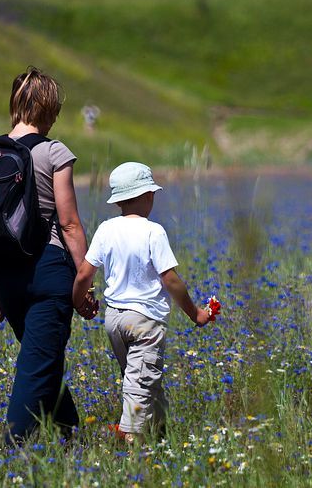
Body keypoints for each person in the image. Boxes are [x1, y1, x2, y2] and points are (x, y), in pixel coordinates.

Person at [0, 66, 99, 444]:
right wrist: (85, 281)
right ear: (49, 109)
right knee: (36, 368)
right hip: (48, 272)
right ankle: (10, 455)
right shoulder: (54, 152)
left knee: (42, 361)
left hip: (5, 275)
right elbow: (69, 225)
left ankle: (70, 440)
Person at [72, 162, 211, 443]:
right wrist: (195, 313)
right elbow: (170, 280)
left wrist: (78, 302)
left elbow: (84, 274)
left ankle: (159, 432)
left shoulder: (106, 229)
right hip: (145, 323)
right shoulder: (153, 232)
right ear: (147, 196)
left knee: (142, 379)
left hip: (115, 320)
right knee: (140, 382)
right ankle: (127, 438)